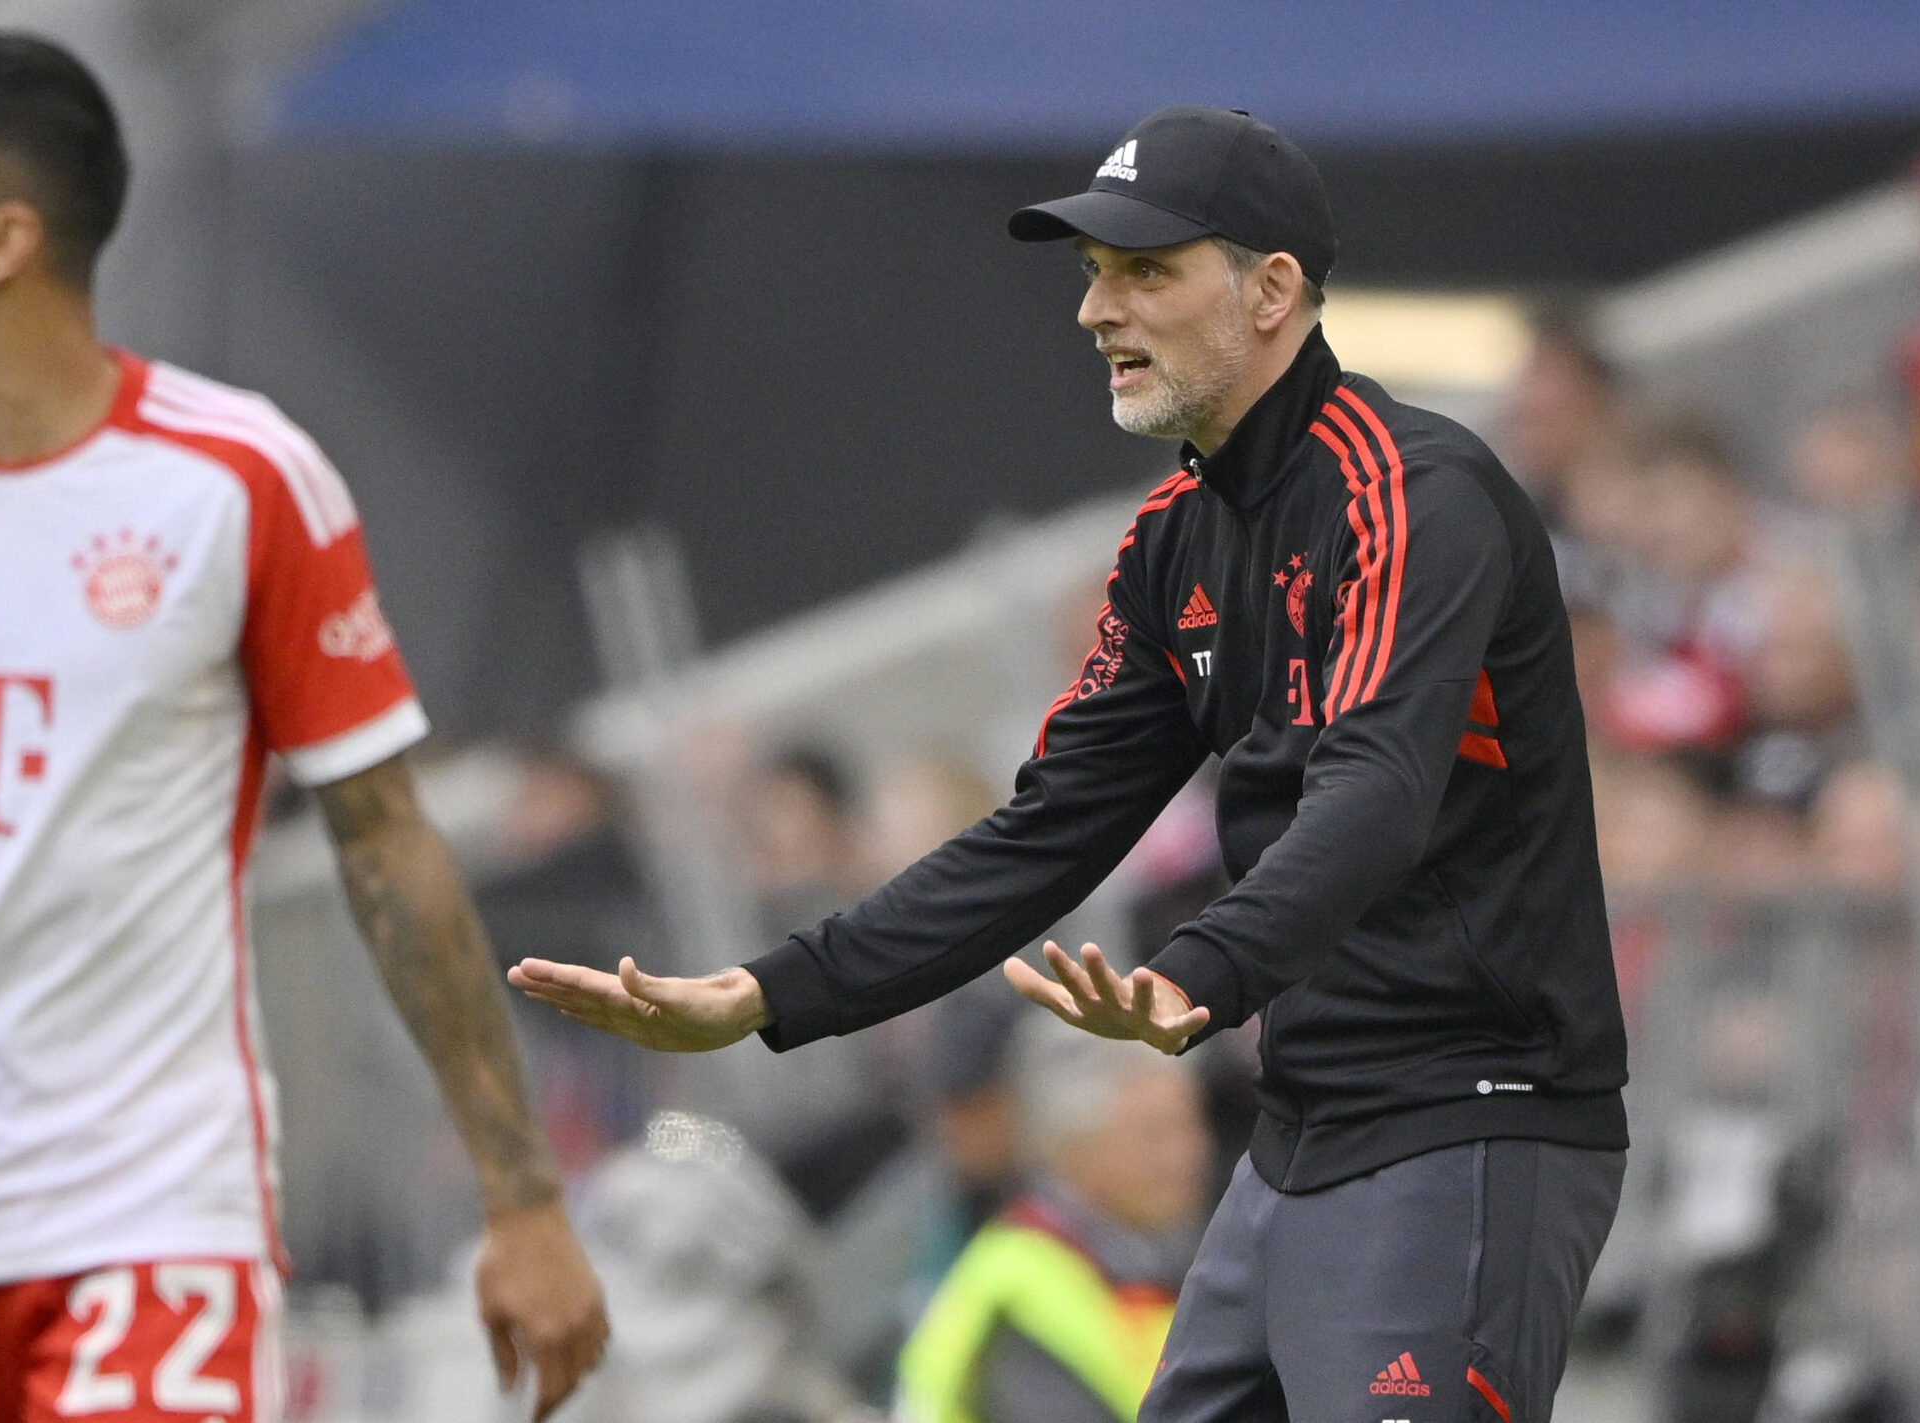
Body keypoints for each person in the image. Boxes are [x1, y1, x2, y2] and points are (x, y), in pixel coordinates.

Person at [513, 104, 1627, 1423]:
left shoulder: (1417, 495)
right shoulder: (1172, 541)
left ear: (1273, 291)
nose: (1099, 309)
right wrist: (767, 989)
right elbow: (1043, 833)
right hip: (1305, 1131)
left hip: (1473, 1119)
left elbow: (1375, 792)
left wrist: (1195, 971)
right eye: (1096, 272)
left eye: (1146, 269)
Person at [0, 32, 604, 1422]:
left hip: (148, 1204)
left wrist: (520, 1193)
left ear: (3, 239)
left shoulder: (239, 477)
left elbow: (384, 842)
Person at [897, 1018, 1208, 1423]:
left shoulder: (1133, 1255)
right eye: (1154, 1135)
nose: (1187, 1154)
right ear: (1072, 1145)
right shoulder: (1020, 1299)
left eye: (1191, 1123)